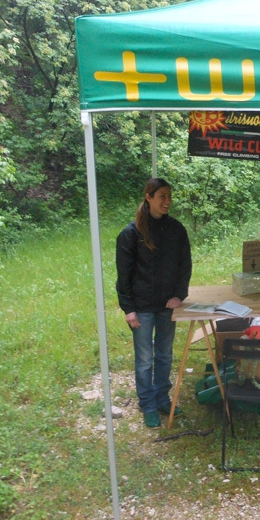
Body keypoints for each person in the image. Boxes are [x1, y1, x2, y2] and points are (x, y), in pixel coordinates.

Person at [116, 178, 192, 429]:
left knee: (165, 355)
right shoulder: (130, 234)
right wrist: (129, 309)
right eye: (162, 196)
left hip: (167, 305)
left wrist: (179, 295)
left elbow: (184, 266)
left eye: (169, 196)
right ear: (148, 197)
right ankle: (147, 404)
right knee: (145, 359)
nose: (167, 201)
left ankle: (162, 398)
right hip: (142, 306)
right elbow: (123, 275)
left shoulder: (176, 229)